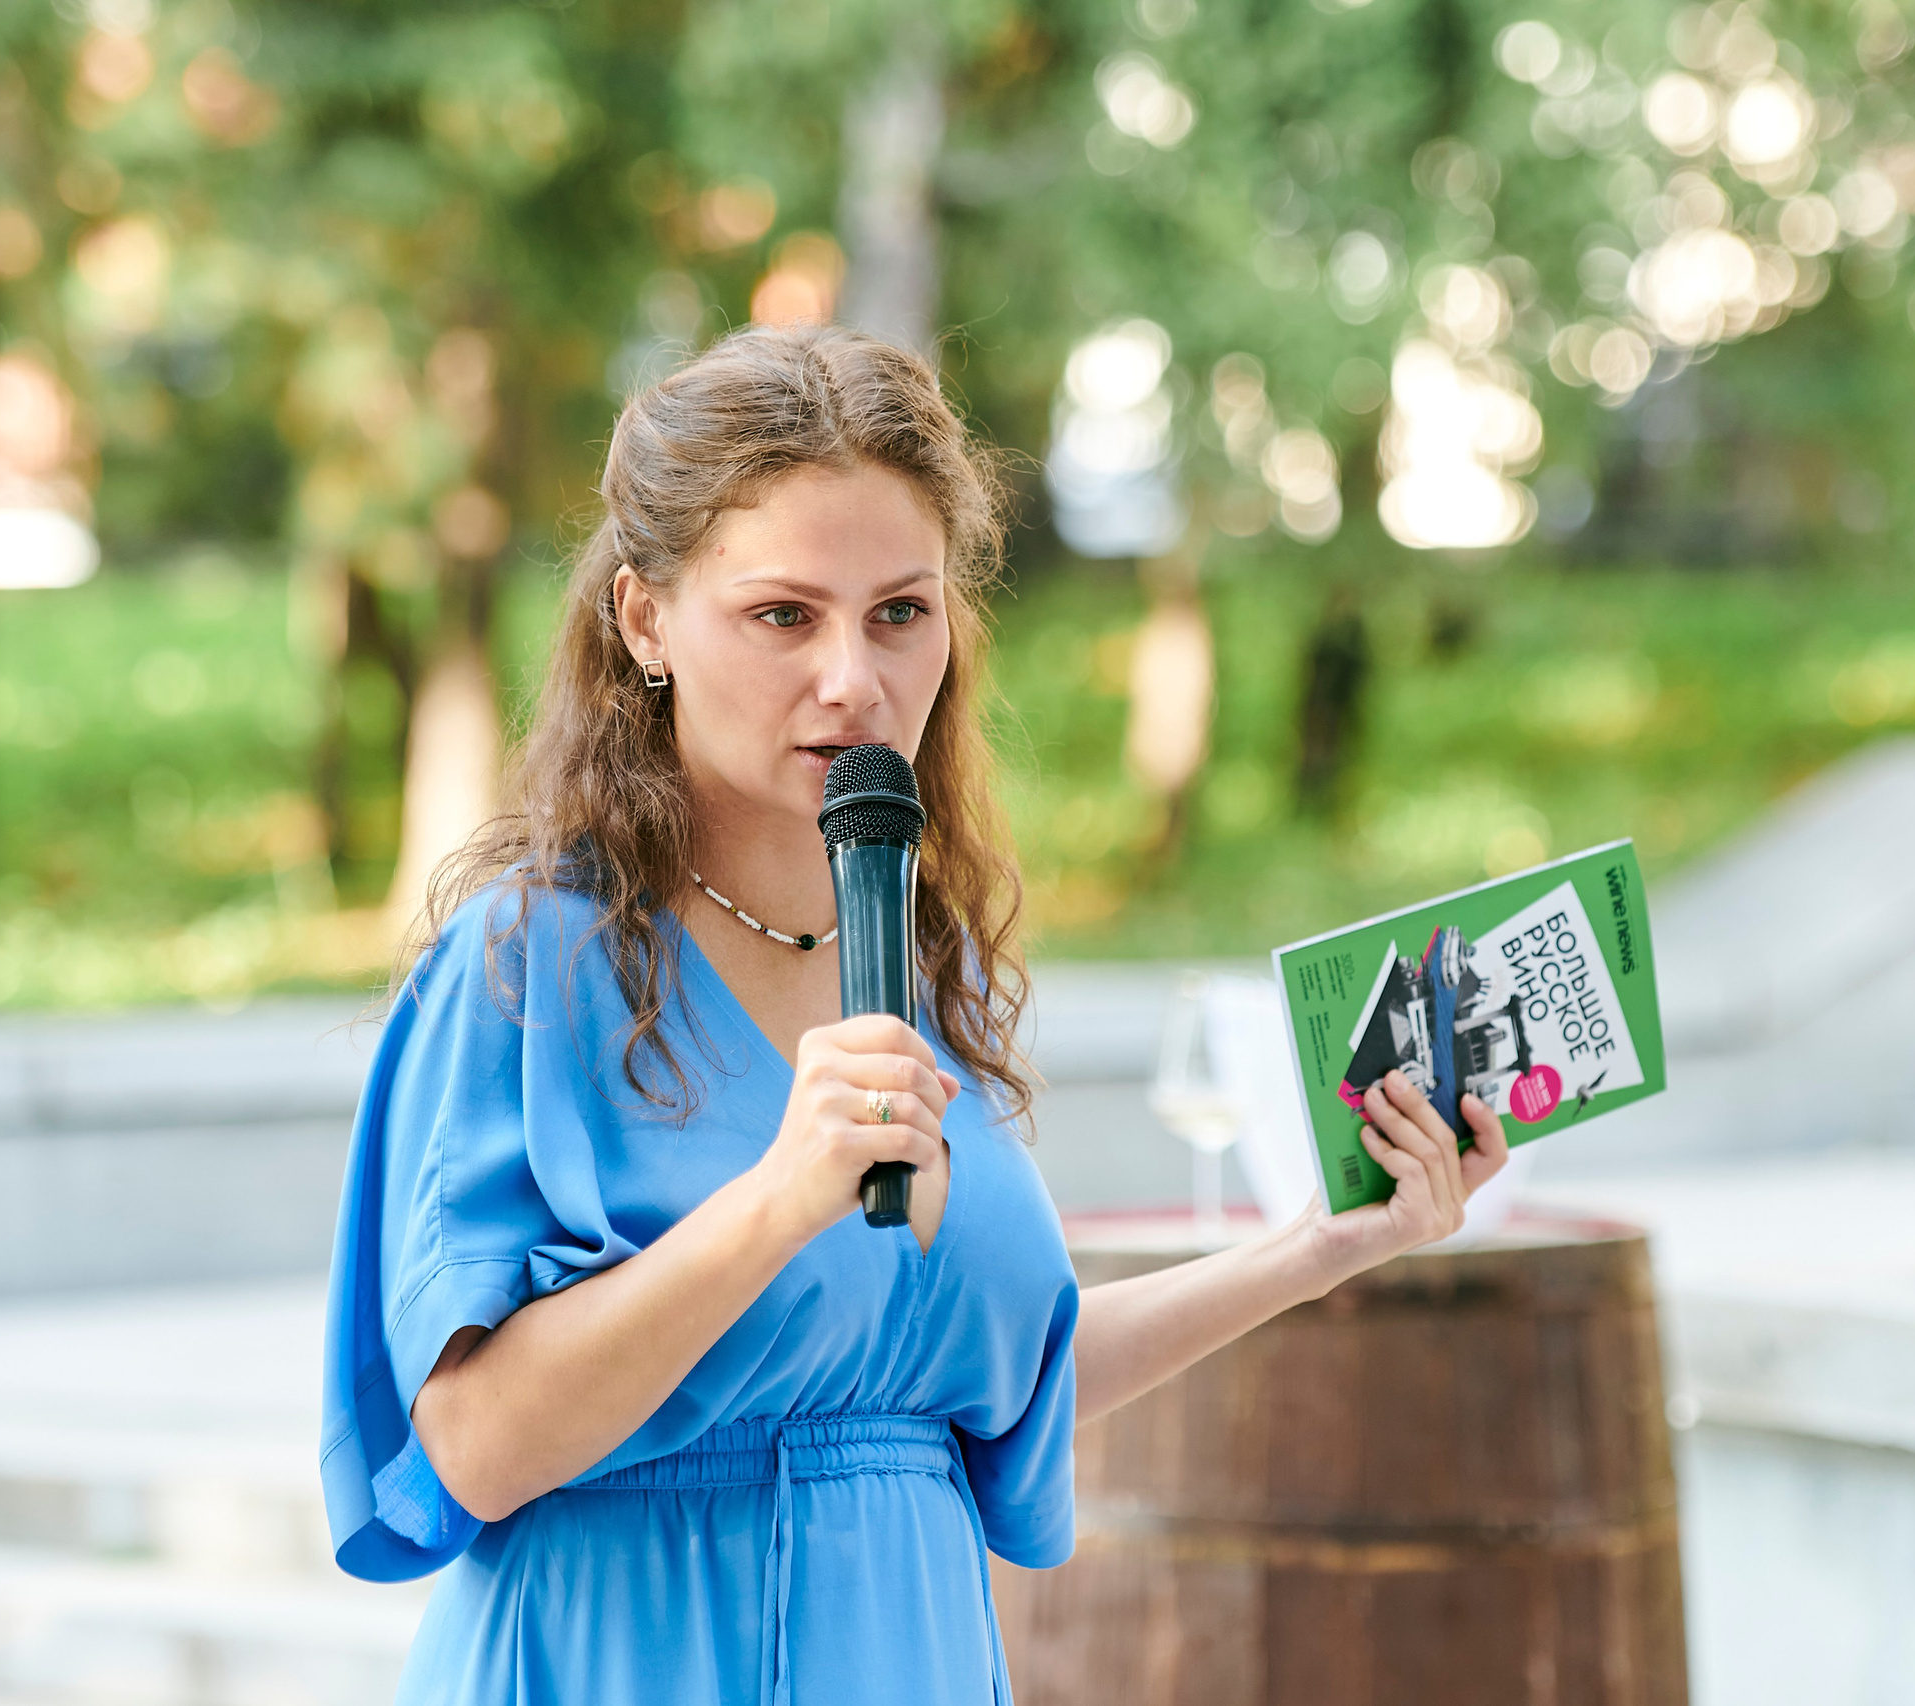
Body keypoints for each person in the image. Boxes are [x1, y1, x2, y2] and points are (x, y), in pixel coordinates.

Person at [319, 323, 1509, 1706]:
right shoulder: (527, 967)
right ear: (646, 619)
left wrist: (1318, 1245)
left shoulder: (921, 960)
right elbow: (467, 1446)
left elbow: (992, 1382)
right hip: (618, 1656)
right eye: (783, 615)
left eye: (900, 610)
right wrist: (777, 1199)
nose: (853, 678)